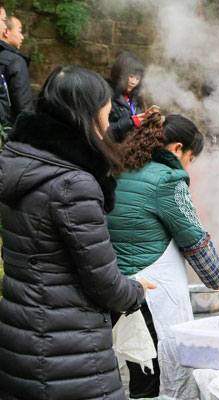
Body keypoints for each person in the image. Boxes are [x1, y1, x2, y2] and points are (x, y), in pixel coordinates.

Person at [0, 65, 155, 400]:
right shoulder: (74, 183)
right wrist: (136, 291)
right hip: (67, 351)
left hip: (21, 337)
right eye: (104, 104)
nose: (109, 111)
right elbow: (104, 283)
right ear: (86, 112)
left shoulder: (20, 160)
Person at [108, 114, 219, 399]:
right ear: (176, 149)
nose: (188, 166)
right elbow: (194, 239)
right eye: (190, 158)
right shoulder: (168, 180)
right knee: (154, 379)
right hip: (149, 300)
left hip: (115, 290)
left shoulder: (118, 170)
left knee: (129, 373)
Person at [108, 51, 157, 142]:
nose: (134, 82)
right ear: (119, 73)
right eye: (131, 76)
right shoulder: (106, 94)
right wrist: (131, 122)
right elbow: (103, 130)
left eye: (137, 78)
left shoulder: (135, 97)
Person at [0, 9, 32, 127]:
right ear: (6, 32)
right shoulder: (15, 61)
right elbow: (23, 106)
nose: (22, 37)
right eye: (19, 31)